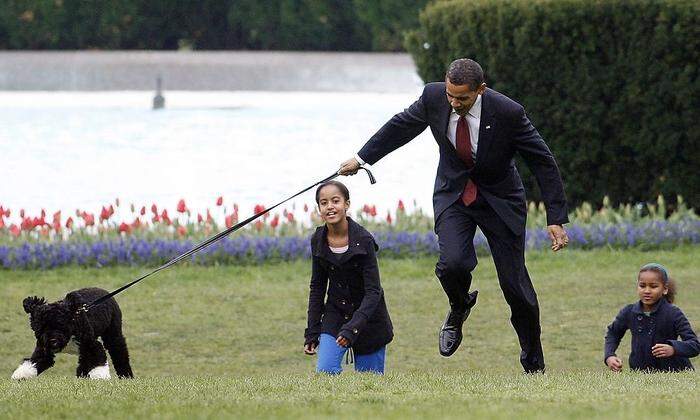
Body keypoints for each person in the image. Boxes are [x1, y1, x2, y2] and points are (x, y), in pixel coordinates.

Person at [338, 58, 569, 373]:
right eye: (450, 95)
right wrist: (362, 158)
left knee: (515, 287)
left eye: (462, 98)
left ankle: (533, 360)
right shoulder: (434, 97)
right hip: (454, 195)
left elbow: (543, 160)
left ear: (480, 90)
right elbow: (401, 126)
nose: (454, 103)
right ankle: (459, 307)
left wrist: (555, 217)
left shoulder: (508, 113)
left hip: (500, 200)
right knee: (451, 265)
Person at [303, 181, 393, 374]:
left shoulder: (364, 240)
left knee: (369, 383)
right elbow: (317, 288)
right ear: (319, 208)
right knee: (326, 372)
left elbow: (373, 291)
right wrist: (312, 331)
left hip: (369, 319)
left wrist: (353, 327)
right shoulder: (317, 240)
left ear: (347, 204)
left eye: (335, 201)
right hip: (335, 315)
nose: (330, 207)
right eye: (324, 203)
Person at [604, 263, 699, 372]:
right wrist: (609, 356)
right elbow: (613, 333)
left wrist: (673, 348)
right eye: (642, 286)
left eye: (653, 286)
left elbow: (695, 345)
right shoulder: (629, 312)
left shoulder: (673, 313)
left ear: (665, 289)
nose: (647, 291)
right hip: (640, 374)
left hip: (674, 373)